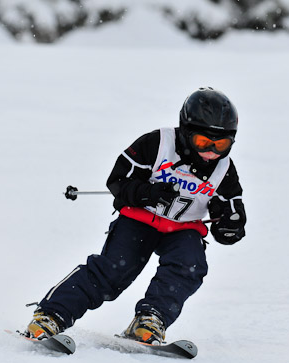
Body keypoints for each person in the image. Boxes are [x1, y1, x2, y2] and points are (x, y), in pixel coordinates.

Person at [26, 87, 246, 344]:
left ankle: (150, 319)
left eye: (221, 144)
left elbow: (231, 219)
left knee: (189, 266)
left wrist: (229, 226)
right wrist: (148, 193)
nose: (211, 152)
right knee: (113, 272)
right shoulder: (157, 144)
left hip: (183, 230)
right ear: (186, 131)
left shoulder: (224, 170)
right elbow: (117, 181)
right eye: (203, 142)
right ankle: (51, 315)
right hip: (140, 220)